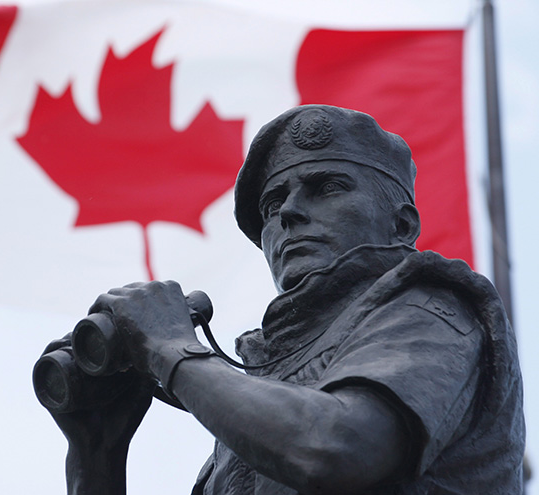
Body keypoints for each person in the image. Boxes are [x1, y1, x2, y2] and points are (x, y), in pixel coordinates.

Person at [39, 105, 524, 494]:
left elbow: (336, 451)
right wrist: (96, 456)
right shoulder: (261, 394)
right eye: (274, 204)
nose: (289, 212)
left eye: (326, 188)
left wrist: (170, 350)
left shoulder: (432, 309)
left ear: (402, 226)